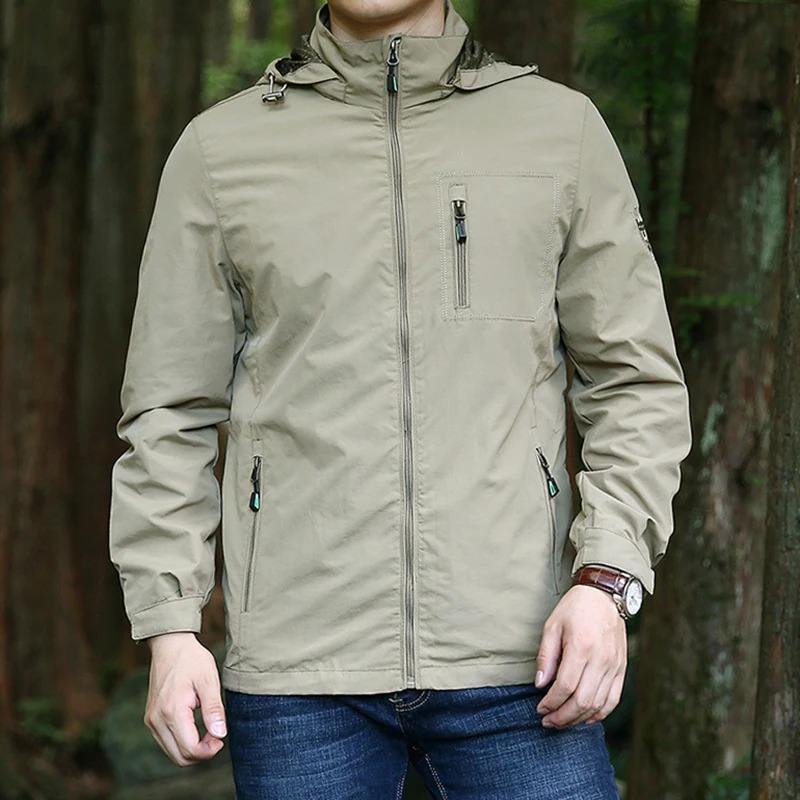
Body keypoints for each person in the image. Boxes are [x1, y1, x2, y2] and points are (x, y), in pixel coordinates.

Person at [108, 0, 692, 797]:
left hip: (527, 657)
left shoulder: (561, 133)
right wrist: (170, 627)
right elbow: (169, 410)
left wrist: (606, 580)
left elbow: (634, 382)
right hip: (298, 673)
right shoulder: (220, 152)